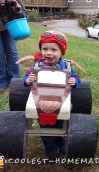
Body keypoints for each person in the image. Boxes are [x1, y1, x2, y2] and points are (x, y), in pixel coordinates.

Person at [23, 30, 81, 159]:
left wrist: (74, 81)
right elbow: (25, 78)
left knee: (61, 125)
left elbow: (77, 78)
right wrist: (28, 80)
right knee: (46, 129)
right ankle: (51, 152)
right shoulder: (37, 65)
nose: (48, 53)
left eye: (54, 50)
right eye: (45, 49)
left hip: (61, 98)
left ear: (61, 52)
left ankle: (63, 146)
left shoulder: (66, 66)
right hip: (41, 99)